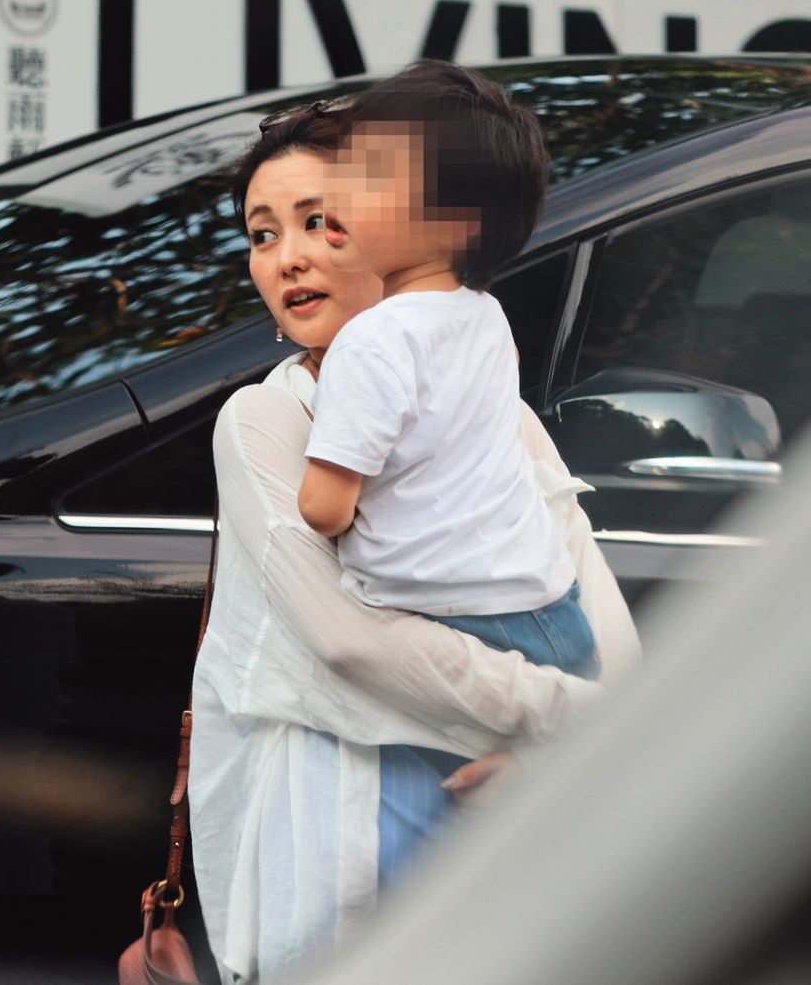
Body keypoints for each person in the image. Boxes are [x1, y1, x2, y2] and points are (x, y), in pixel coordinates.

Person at [187, 104, 641, 985]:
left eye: (320, 220)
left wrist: (555, 756)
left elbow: (596, 611)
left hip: (517, 848)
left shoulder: (499, 415)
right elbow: (351, 641)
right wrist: (579, 722)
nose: (287, 257)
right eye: (262, 234)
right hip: (350, 844)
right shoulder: (268, 419)